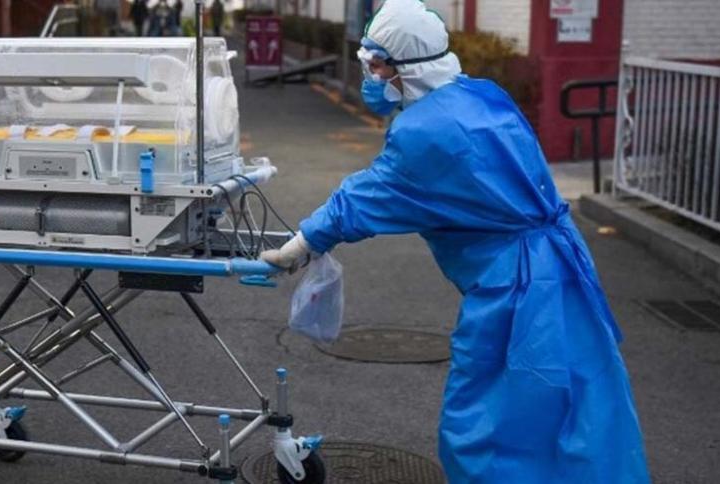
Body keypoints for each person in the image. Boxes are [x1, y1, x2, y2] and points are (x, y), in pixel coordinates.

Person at [260, 0, 650, 482]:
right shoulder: (481, 96)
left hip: (517, 292)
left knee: (491, 427)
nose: (372, 77)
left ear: (409, 68)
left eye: (377, 66)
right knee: (584, 408)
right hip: (563, 270)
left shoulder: (425, 132)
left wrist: (302, 243)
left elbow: (368, 196)